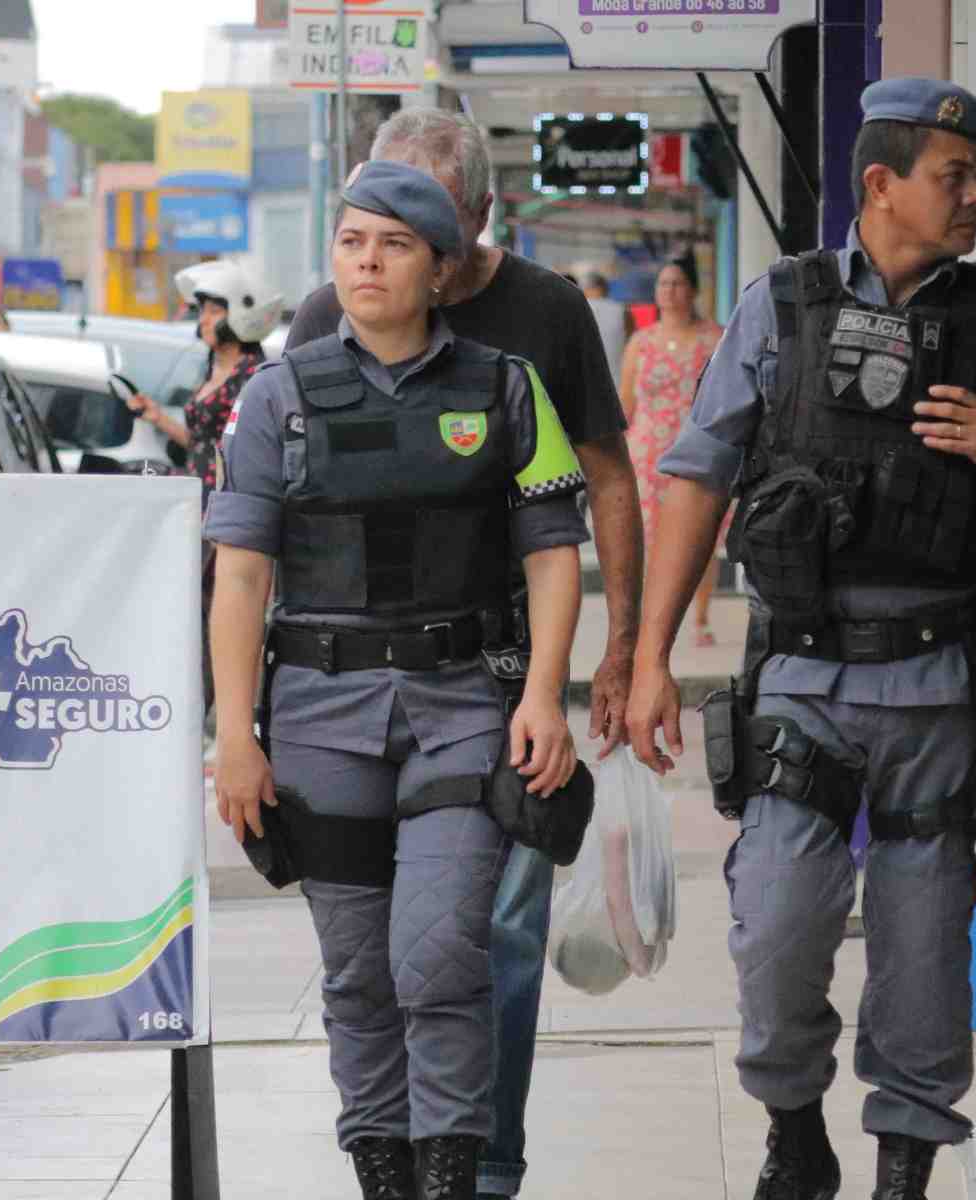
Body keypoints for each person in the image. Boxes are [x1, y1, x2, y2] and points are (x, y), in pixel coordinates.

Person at [625, 79, 976, 1200]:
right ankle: (792, 1128)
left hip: (937, 692)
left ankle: (904, 1165)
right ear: (881, 185)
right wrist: (649, 655)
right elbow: (697, 476)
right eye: (955, 176)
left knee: (925, 955)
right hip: (799, 682)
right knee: (774, 934)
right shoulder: (778, 306)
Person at [207, 160, 587, 1200]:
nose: (367, 263)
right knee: (359, 972)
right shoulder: (275, 397)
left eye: (394, 245)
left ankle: (453, 1176)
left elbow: (554, 554)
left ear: (439, 267)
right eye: (351, 243)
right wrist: (233, 735)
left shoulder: (506, 387)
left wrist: (543, 696)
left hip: (462, 704)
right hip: (318, 715)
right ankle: (384, 1174)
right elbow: (239, 574)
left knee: (439, 955)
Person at [283, 109, 642, 1200]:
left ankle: (481, 1166)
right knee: (380, 954)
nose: (384, 243)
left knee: (488, 933)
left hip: (497, 678)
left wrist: (622, 650)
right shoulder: (326, 316)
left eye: (415, 222)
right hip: (352, 696)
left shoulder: (545, 313)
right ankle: (397, 1158)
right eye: (365, 222)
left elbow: (607, 479)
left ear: (476, 220)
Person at [127, 260, 279, 717]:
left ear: (242, 313)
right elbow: (199, 442)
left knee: (220, 614)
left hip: (225, 513)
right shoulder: (212, 367)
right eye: (203, 311)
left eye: (215, 310)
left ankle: (223, 718)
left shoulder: (255, 377)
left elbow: (242, 451)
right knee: (190, 616)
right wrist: (157, 417)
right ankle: (193, 713)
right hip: (194, 507)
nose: (205, 320)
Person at [619, 255, 727, 647]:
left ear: (693, 289)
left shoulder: (715, 338)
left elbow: (728, 399)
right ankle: (655, 623)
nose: (669, 291)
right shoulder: (641, 342)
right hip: (647, 457)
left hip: (698, 455)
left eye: (678, 283)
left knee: (701, 537)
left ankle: (700, 617)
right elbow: (626, 402)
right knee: (649, 541)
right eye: (663, 283)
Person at [580, 270, 632, 394]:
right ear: (605, 289)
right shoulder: (623, 311)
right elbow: (632, 347)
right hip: (617, 385)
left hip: (583, 385)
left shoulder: (576, 309)